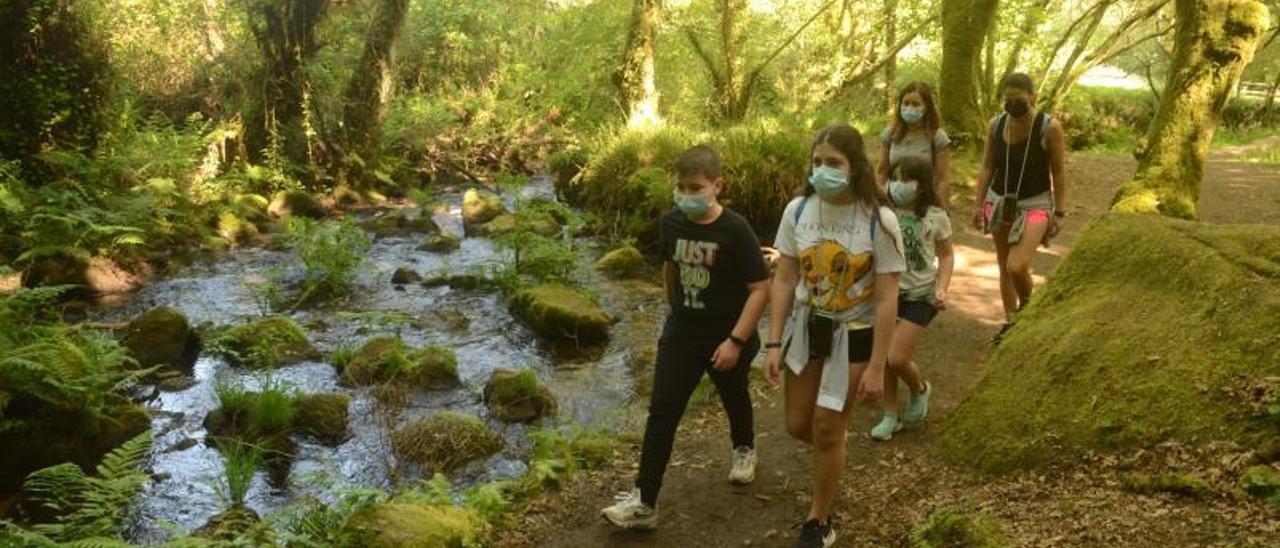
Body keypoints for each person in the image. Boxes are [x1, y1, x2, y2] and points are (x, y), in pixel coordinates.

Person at [601, 145, 771, 530]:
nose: (687, 195)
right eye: (681, 187)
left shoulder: (736, 230)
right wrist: (675, 310)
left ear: (717, 186)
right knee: (662, 410)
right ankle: (645, 502)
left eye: (695, 187)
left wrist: (736, 341)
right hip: (682, 334)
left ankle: (744, 448)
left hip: (728, 334)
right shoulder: (671, 223)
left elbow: (761, 288)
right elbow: (669, 268)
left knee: (734, 394)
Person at [764, 124, 905, 548]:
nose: (823, 170)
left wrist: (879, 365)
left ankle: (819, 521)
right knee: (796, 424)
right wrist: (773, 342)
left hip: (856, 333)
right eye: (817, 162)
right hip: (808, 330)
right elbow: (786, 279)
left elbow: (886, 297)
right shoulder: (799, 211)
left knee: (825, 428)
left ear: (854, 166)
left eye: (834, 163)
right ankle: (834, 450)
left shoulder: (879, 220)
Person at [970, 73, 1068, 338]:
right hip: (1000, 200)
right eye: (1008, 99)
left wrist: (1059, 210)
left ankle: (1027, 308)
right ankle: (1011, 322)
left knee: (1017, 265)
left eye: (1019, 99)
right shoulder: (996, 125)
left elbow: (1058, 172)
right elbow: (988, 166)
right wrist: (978, 205)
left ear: (1033, 97)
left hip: (1035, 202)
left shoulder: (1049, 128)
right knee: (1004, 266)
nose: (1012, 104)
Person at [870, 156, 954, 441]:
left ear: (922, 184)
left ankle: (919, 389)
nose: (898, 185)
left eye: (906, 179)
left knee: (896, 357)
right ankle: (890, 415)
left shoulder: (935, 216)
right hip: (887, 295)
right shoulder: (883, 213)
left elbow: (946, 255)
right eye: (895, 178)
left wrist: (942, 287)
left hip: (921, 296)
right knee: (883, 356)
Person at [878, 82, 953, 206]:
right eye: (906, 103)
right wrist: (879, 204)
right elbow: (882, 172)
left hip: (924, 205)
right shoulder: (890, 134)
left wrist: (942, 211)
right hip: (893, 203)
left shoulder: (937, 137)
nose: (909, 108)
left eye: (915, 104)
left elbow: (943, 178)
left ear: (926, 107)